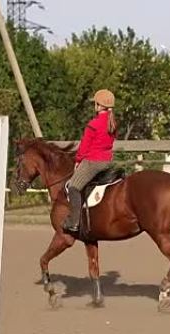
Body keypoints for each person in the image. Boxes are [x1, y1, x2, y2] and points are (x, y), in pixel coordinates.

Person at [63, 89, 118, 233]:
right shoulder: (112, 122)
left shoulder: (94, 124)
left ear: (99, 105)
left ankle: (74, 222)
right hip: (107, 161)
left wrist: (78, 161)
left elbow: (84, 146)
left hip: (93, 161)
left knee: (73, 187)